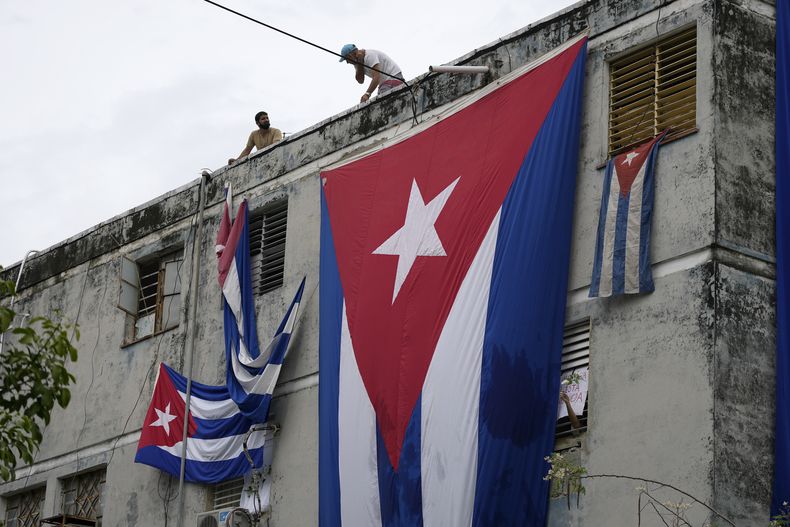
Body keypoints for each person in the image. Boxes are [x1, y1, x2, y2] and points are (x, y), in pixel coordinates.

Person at [339, 44, 404, 103]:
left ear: (350, 56)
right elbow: (360, 80)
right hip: (385, 82)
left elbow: (376, 77)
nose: (347, 62)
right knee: (381, 99)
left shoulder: (370, 55)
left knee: (382, 101)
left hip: (394, 77)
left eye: (346, 59)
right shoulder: (357, 63)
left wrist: (367, 94)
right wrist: (360, 63)